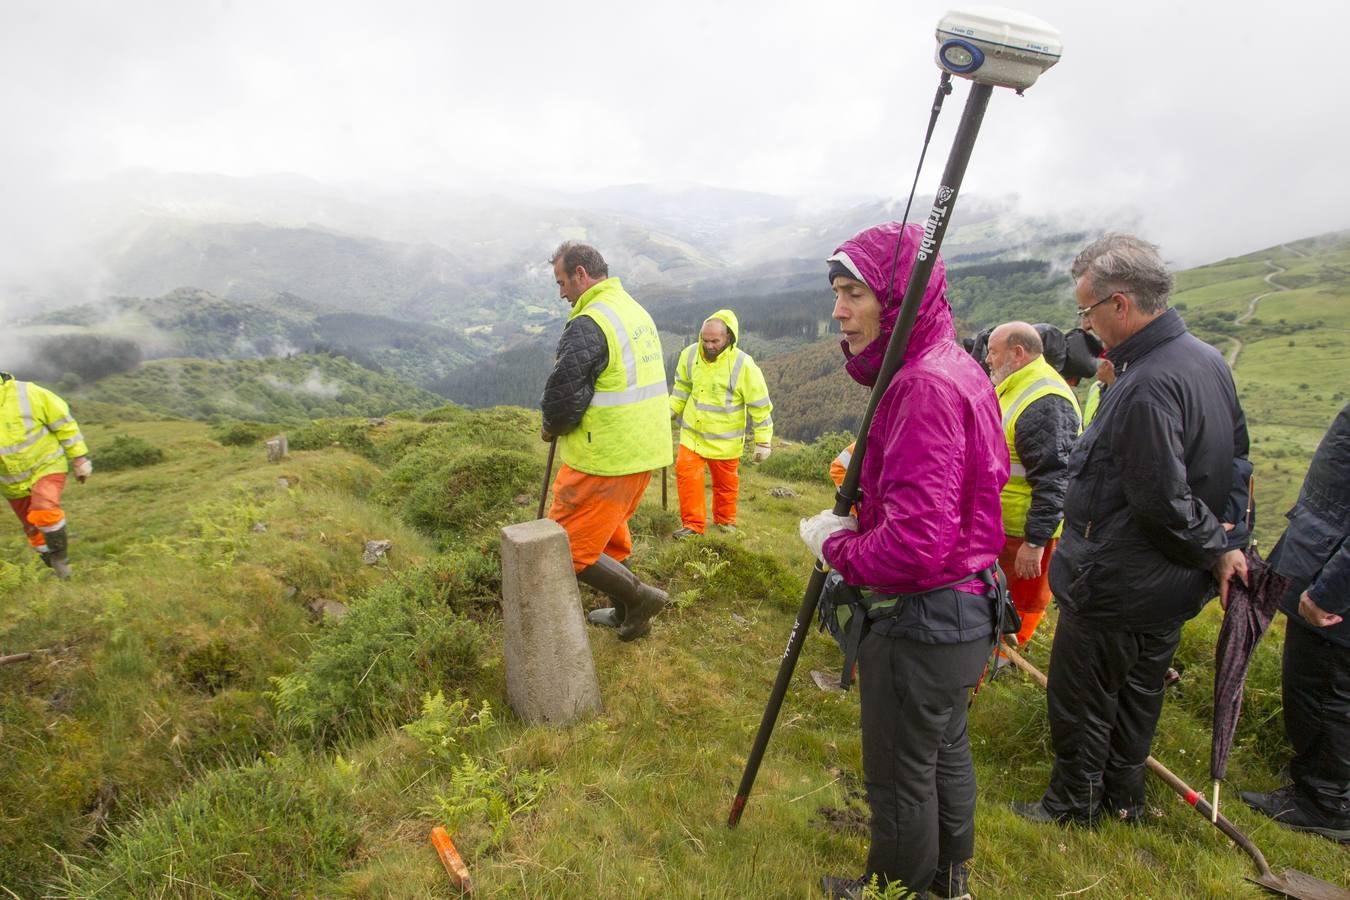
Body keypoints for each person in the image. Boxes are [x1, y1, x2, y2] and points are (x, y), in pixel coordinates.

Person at [1013, 233, 1250, 827]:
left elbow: (1162, 501)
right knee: (1139, 693)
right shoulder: (1207, 359)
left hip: (1118, 577)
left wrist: (1216, 543)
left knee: (1083, 698)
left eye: (1087, 310)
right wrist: (1224, 543)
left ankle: (1072, 806)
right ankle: (1124, 798)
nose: (1086, 327)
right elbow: (1239, 464)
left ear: (1121, 304)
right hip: (1169, 584)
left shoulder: (1144, 385)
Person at [802, 222, 1008, 899]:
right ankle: (950, 885)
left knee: (898, 774)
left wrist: (833, 543)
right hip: (967, 607)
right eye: (836, 293)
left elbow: (915, 545)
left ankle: (895, 891)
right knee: (944, 752)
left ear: (897, 300)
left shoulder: (921, 387)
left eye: (853, 293)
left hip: (924, 618)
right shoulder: (956, 363)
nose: (839, 311)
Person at [540, 242, 672, 641]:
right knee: (610, 537)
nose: (561, 292)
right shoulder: (630, 309)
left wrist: (550, 424)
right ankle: (628, 615)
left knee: (567, 548)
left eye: (562, 282)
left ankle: (643, 598)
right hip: (641, 452)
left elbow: (564, 396)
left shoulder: (591, 321)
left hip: (605, 458)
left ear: (581, 274)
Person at [1240, 401, 1350, 843]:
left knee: (1323, 693)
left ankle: (1325, 802)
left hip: (1332, 589)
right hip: (1324, 561)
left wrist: (1329, 591)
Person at [984, 322, 1081, 650]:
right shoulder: (1015, 385)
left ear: (1018, 353)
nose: (988, 359)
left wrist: (1035, 542)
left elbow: (1057, 478)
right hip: (1000, 527)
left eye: (993, 352)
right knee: (991, 601)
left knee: (1019, 604)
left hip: (1023, 534)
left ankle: (1002, 663)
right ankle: (982, 664)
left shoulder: (1045, 399)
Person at [669, 309, 773, 539]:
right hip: (692, 436)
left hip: (725, 442)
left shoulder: (744, 365)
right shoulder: (689, 355)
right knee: (687, 478)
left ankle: (725, 522)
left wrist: (763, 441)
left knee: (725, 485)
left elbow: (760, 406)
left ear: (728, 337)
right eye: (705, 340)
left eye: (715, 340)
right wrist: (669, 411)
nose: (709, 345)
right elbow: (681, 388)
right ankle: (693, 526)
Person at [2, 370, 92, 579]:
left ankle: (61, 562)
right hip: (10, 482)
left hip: (46, 466)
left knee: (44, 509)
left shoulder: (29, 393)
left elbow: (65, 425)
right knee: (33, 529)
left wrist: (79, 459)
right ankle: (57, 571)